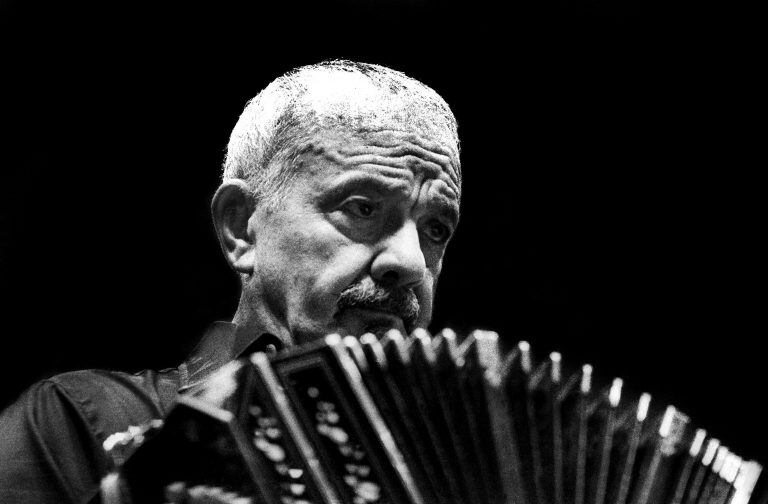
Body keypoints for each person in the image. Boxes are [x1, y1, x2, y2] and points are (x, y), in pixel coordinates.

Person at [0, 60, 462, 504]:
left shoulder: (459, 461)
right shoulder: (77, 420)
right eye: (362, 208)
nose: (411, 262)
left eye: (435, 229)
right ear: (241, 228)